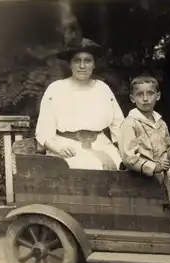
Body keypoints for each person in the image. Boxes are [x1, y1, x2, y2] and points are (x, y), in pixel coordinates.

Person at [35, 38, 125, 171]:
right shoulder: (56, 89)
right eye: (77, 60)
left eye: (87, 61)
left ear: (94, 64)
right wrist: (58, 148)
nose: (82, 66)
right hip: (67, 147)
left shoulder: (102, 89)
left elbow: (119, 125)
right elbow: (44, 130)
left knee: (122, 166)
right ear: (70, 64)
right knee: (88, 168)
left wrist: (126, 150)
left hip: (101, 144)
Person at [118, 75, 170, 198]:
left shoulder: (161, 123)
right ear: (132, 98)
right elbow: (129, 159)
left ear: (158, 96)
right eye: (140, 94)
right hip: (141, 178)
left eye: (150, 94)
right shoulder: (130, 123)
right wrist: (155, 167)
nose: (145, 99)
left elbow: (167, 153)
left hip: (159, 175)